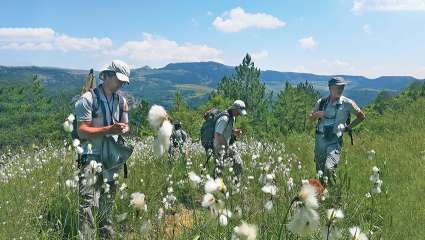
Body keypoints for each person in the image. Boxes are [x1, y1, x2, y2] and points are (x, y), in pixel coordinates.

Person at [75, 59, 131, 239]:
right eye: (118, 79)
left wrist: (124, 129)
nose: (121, 83)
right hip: (90, 157)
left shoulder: (122, 101)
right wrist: (109, 129)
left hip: (111, 158)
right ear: (106, 76)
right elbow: (82, 131)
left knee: (108, 200)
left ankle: (106, 234)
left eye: (123, 81)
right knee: (88, 202)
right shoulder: (87, 99)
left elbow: (126, 126)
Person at [309, 76, 365, 186]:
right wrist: (316, 115)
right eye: (337, 87)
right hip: (320, 140)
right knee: (320, 172)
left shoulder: (347, 103)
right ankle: (323, 196)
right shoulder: (321, 102)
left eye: (342, 87)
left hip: (335, 141)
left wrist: (348, 127)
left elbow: (361, 116)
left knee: (329, 168)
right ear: (330, 88)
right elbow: (310, 118)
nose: (340, 89)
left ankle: (335, 196)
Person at [213, 100, 247, 180]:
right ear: (234, 109)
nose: (239, 114)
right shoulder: (224, 118)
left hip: (226, 146)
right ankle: (216, 187)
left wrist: (235, 131)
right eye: (239, 112)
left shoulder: (232, 117)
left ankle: (236, 183)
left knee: (238, 163)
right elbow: (217, 134)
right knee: (219, 169)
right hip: (219, 147)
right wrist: (226, 147)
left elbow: (226, 130)